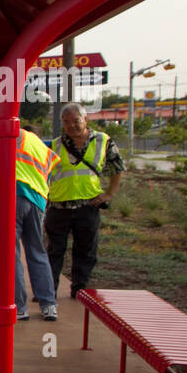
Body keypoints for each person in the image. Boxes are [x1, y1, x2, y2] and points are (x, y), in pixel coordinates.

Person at [0, 125, 61, 320]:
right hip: (38, 201)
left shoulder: (8, 133)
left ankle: (19, 306)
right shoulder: (41, 146)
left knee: (11, 252)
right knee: (36, 251)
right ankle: (48, 304)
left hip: (12, 195)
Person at [45, 103, 125, 300]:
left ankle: (79, 289)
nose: (71, 125)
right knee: (54, 251)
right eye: (66, 122)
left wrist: (109, 194)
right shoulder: (56, 144)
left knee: (86, 250)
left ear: (85, 119)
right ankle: (48, 291)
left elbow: (118, 168)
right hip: (58, 206)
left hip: (88, 206)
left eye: (75, 121)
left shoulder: (103, 141)